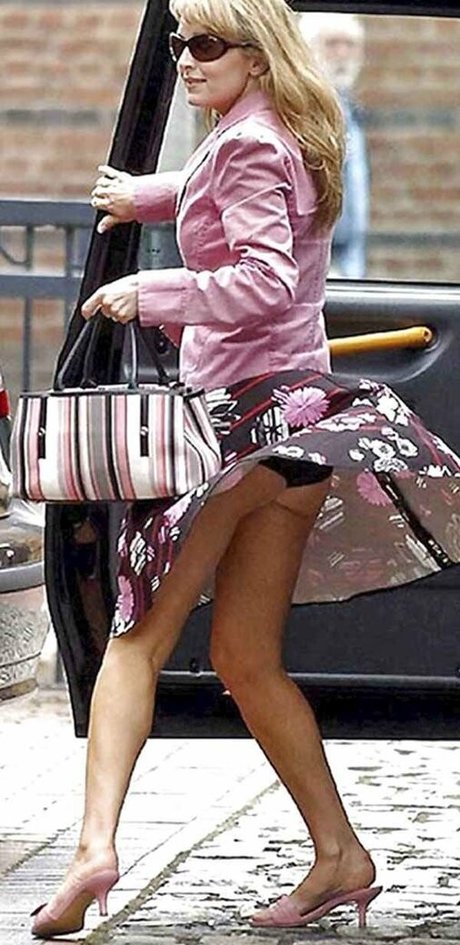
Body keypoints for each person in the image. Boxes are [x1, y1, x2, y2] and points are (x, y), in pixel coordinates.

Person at [31, 0, 460, 938]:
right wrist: (142, 196)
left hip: (236, 427)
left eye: (205, 44)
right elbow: (212, 188)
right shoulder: (273, 132)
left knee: (134, 641)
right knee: (245, 657)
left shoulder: (252, 144)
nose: (185, 59)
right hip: (295, 434)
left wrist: (152, 290)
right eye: (178, 41)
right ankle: (340, 854)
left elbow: (264, 277)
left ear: (257, 57)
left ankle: (94, 849)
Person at [299, 12, 370, 278]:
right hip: (317, 265)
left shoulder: (350, 111)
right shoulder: (302, 113)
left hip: (348, 262)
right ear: (307, 49)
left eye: (350, 45)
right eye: (332, 44)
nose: (343, 54)